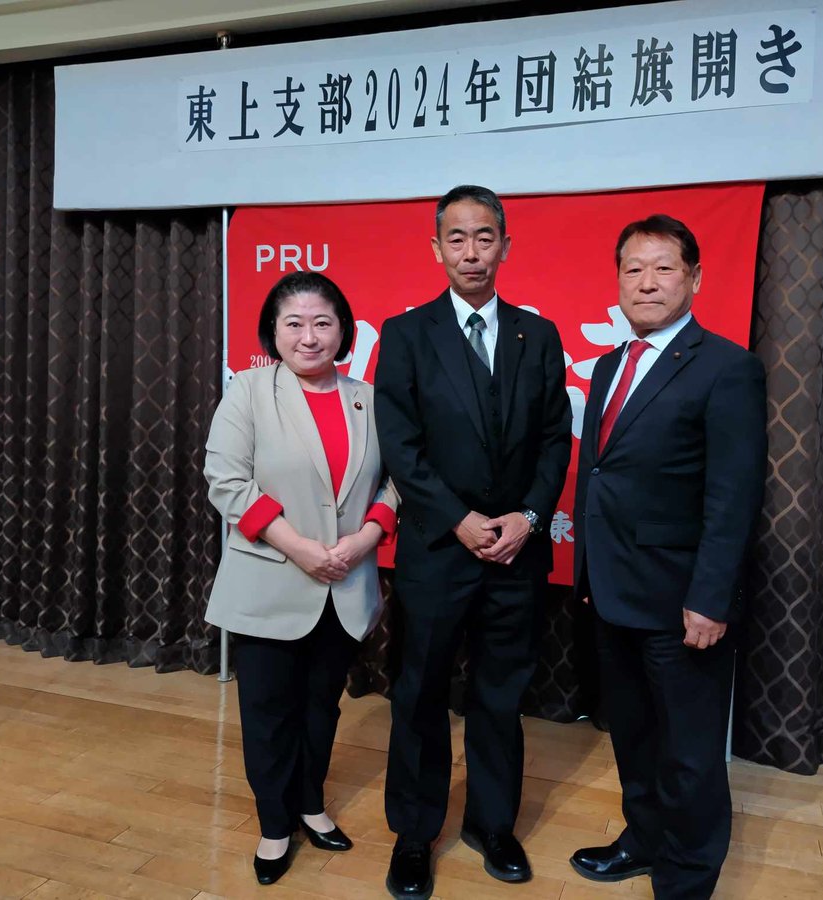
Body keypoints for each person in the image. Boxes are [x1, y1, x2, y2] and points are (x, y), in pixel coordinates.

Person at [374, 185, 572, 899]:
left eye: (484, 237)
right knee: (420, 693)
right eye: (456, 238)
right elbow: (400, 446)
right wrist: (458, 519)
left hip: (516, 553)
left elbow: (555, 439)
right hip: (437, 550)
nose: (471, 251)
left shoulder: (536, 335)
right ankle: (414, 834)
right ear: (436, 249)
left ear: (505, 246)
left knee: (500, 694)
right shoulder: (406, 334)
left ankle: (492, 825)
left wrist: (529, 515)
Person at [569, 215, 767, 899]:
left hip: (683, 602)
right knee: (634, 737)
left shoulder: (727, 367)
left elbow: (733, 496)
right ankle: (644, 839)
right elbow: (600, 475)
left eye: (663, 268)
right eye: (633, 269)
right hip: (612, 592)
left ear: (695, 278)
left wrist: (710, 598)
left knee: (689, 754)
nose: (647, 282)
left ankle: (686, 879)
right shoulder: (608, 366)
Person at [203, 271, 398, 886]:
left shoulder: (370, 398)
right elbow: (227, 482)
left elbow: (398, 481)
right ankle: (274, 824)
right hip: (272, 580)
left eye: (322, 323)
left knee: (321, 707)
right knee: (267, 711)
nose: (308, 336)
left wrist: (367, 538)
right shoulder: (249, 391)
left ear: (343, 330)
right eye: (294, 323)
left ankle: (311, 804)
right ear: (273, 332)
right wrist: (300, 549)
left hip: (346, 583)